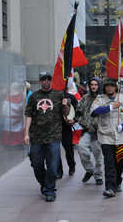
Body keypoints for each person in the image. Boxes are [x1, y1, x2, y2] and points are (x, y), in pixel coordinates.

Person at [24, 71, 70, 202]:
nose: (46, 81)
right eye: (43, 79)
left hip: (53, 137)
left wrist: (65, 104)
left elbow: (66, 114)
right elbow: (29, 115)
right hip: (36, 137)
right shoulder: (34, 97)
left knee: (52, 165)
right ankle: (44, 183)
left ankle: (50, 190)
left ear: (51, 80)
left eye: (48, 79)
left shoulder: (58, 95)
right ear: (39, 81)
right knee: (36, 163)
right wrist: (26, 134)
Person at [91, 78, 123, 197]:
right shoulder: (100, 99)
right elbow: (94, 112)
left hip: (122, 137)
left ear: (116, 87)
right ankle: (110, 188)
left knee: (120, 162)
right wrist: (111, 107)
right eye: (107, 86)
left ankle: (118, 181)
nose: (109, 88)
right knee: (109, 162)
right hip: (106, 136)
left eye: (112, 86)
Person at [74, 77, 104, 185]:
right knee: (81, 149)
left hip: (99, 131)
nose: (94, 86)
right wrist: (84, 122)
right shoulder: (85, 98)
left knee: (99, 155)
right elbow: (77, 115)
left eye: (96, 84)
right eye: (92, 84)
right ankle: (90, 170)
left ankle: (98, 175)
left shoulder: (103, 98)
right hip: (87, 130)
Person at [57, 90, 79, 178]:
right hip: (54, 127)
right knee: (54, 150)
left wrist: (73, 119)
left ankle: (72, 165)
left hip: (66, 127)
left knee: (68, 148)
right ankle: (58, 170)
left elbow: (77, 109)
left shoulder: (71, 97)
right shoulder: (51, 96)